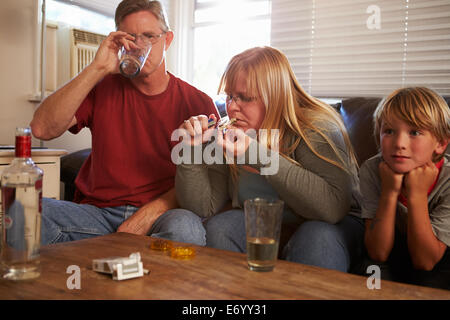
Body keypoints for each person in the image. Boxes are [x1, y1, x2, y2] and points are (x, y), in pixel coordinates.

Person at [30, 0, 217, 246]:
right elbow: (42, 128)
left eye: (149, 36)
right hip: (97, 215)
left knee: (185, 228)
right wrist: (97, 68)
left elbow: (211, 181)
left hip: (163, 215)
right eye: (131, 37)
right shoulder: (100, 87)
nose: (139, 46)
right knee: (27, 210)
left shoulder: (198, 102)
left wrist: (149, 213)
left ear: (167, 40)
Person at [170, 46, 365, 272]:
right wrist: (191, 149)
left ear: (276, 97)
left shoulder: (316, 128)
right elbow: (203, 206)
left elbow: (332, 208)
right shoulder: (230, 132)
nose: (232, 107)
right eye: (230, 96)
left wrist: (256, 155)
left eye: (245, 98)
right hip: (267, 222)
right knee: (220, 227)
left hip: (331, 225)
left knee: (317, 237)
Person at [360, 87, 450, 290]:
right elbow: (378, 252)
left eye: (415, 132)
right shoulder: (372, 170)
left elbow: (426, 262)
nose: (399, 143)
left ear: (441, 143)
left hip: (436, 258)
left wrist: (416, 194)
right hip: (391, 251)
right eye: (389, 131)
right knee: (372, 274)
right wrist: (390, 192)